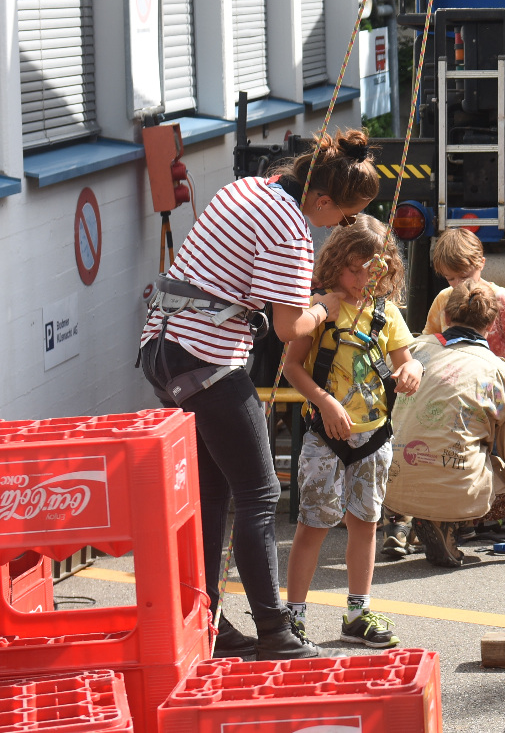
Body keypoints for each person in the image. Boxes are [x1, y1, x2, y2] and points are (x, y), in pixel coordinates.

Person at [138, 128, 380, 660]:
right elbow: (290, 327)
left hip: (162, 346)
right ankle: (275, 632)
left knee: (213, 491)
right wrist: (323, 308)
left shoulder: (249, 187)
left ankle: (209, 626)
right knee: (261, 492)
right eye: (344, 217)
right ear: (322, 199)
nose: (337, 227)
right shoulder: (291, 229)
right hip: (206, 361)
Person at [280, 216, 420, 647]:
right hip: (325, 437)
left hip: (374, 437)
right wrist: (325, 402)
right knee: (313, 525)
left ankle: (358, 613)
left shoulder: (387, 313)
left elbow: (406, 361)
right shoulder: (321, 309)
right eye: (353, 270)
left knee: (366, 523)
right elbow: (292, 366)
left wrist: (413, 370)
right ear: (336, 263)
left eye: (372, 271)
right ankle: (294, 615)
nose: (362, 280)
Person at [386, 282, 505, 568]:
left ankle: (407, 519)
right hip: (456, 487)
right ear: (492, 325)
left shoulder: (412, 351)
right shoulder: (501, 372)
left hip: (392, 485)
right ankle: (447, 521)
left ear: (446, 316)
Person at [422, 228, 505, 384]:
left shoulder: (499, 297)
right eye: (450, 278)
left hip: (499, 383)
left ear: (481, 264)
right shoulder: (443, 299)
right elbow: (429, 341)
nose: (459, 284)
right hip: (461, 384)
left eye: (464, 276)